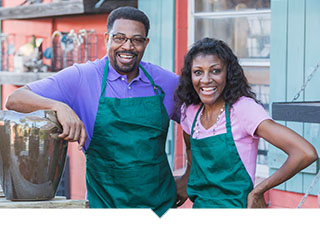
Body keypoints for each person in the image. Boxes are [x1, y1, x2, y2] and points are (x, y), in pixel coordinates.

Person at [5, 6, 179, 216]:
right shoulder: (82, 77)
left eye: (136, 40)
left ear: (146, 43)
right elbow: (15, 99)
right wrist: (59, 107)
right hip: (105, 206)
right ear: (107, 38)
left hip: (161, 208)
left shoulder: (166, 82)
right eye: (119, 38)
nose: (127, 46)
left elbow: (197, 119)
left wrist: (188, 175)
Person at [174, 37, 318, 208]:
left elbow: (305, 152)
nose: (205, 80)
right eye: (198, 72)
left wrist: (259, 191)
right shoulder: (190, 111)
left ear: (228, 73)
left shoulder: (243, 109)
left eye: (215, 71)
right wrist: (184, 181)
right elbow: (191, 151)